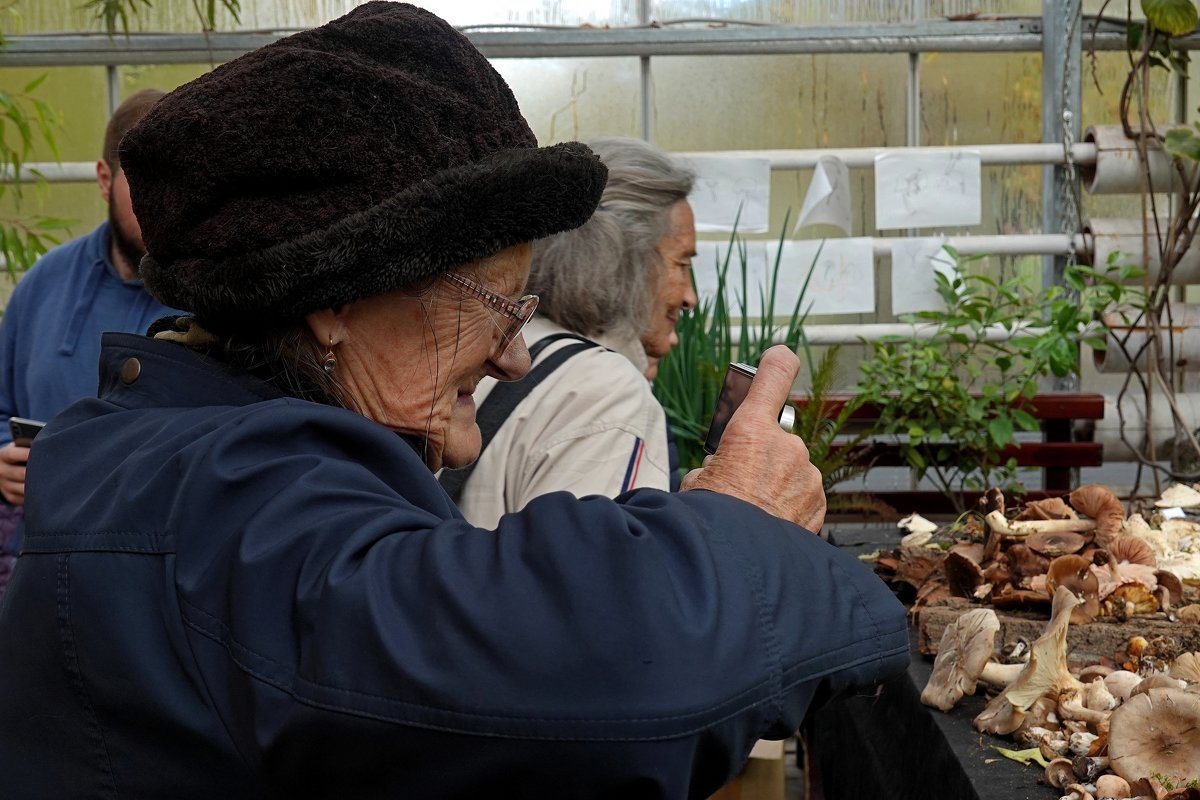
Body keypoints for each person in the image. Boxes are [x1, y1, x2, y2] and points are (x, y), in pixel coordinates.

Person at [0, 5, 909, 798]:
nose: (517, 355)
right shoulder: (237, 493)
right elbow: (590, 678)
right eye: (499, 305)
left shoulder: (188, 448)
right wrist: (745, 525)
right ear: (335, 301)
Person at [446, 137, 695, 526]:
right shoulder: (607, 393)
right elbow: (593, 578)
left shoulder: (491, 349)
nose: (689, 297)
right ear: (628, 259)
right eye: (681, 263)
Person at [0, 88, 178, 590]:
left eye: (176, 181)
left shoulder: (219, 303)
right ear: (104, 179)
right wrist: (3, 461)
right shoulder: (42, 284)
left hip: (156, 574)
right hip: (36, 563)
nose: (162, 203)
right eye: (143, 182)